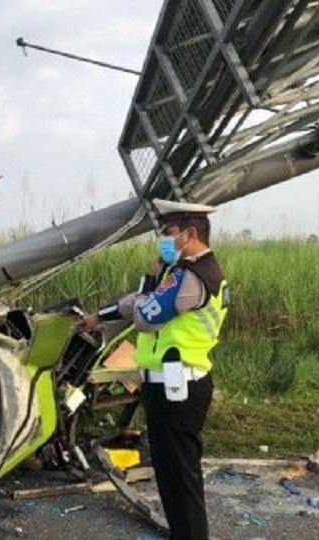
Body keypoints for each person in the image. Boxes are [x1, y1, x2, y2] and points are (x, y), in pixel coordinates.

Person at [81, 199, 230, 540]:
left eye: (169, 233)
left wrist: (149, 282)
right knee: (170, 473)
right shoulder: (185, 273)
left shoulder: (192, 277)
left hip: (179, 389)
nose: (163, 241)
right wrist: (101, 316)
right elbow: (141, 302)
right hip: (166, 385)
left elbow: (146, 317)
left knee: (181, 476)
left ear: (190, 234)